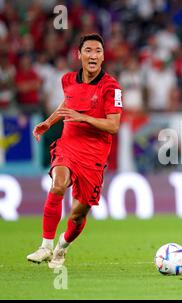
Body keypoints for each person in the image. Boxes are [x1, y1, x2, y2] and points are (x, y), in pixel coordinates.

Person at [27, 33, 123, 268]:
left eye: (98, 51)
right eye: (88, 50)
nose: (93, 55)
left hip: (95, 154)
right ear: (78, 55)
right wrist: (49, 122)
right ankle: (45, 246)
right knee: (58, 184)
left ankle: (62, 246)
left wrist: (83, 117)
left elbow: (113, 125)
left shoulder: (111, 87)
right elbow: (67, 103)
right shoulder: (68, 79)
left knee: (79, 214)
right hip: (69, 144)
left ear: (103, 57)